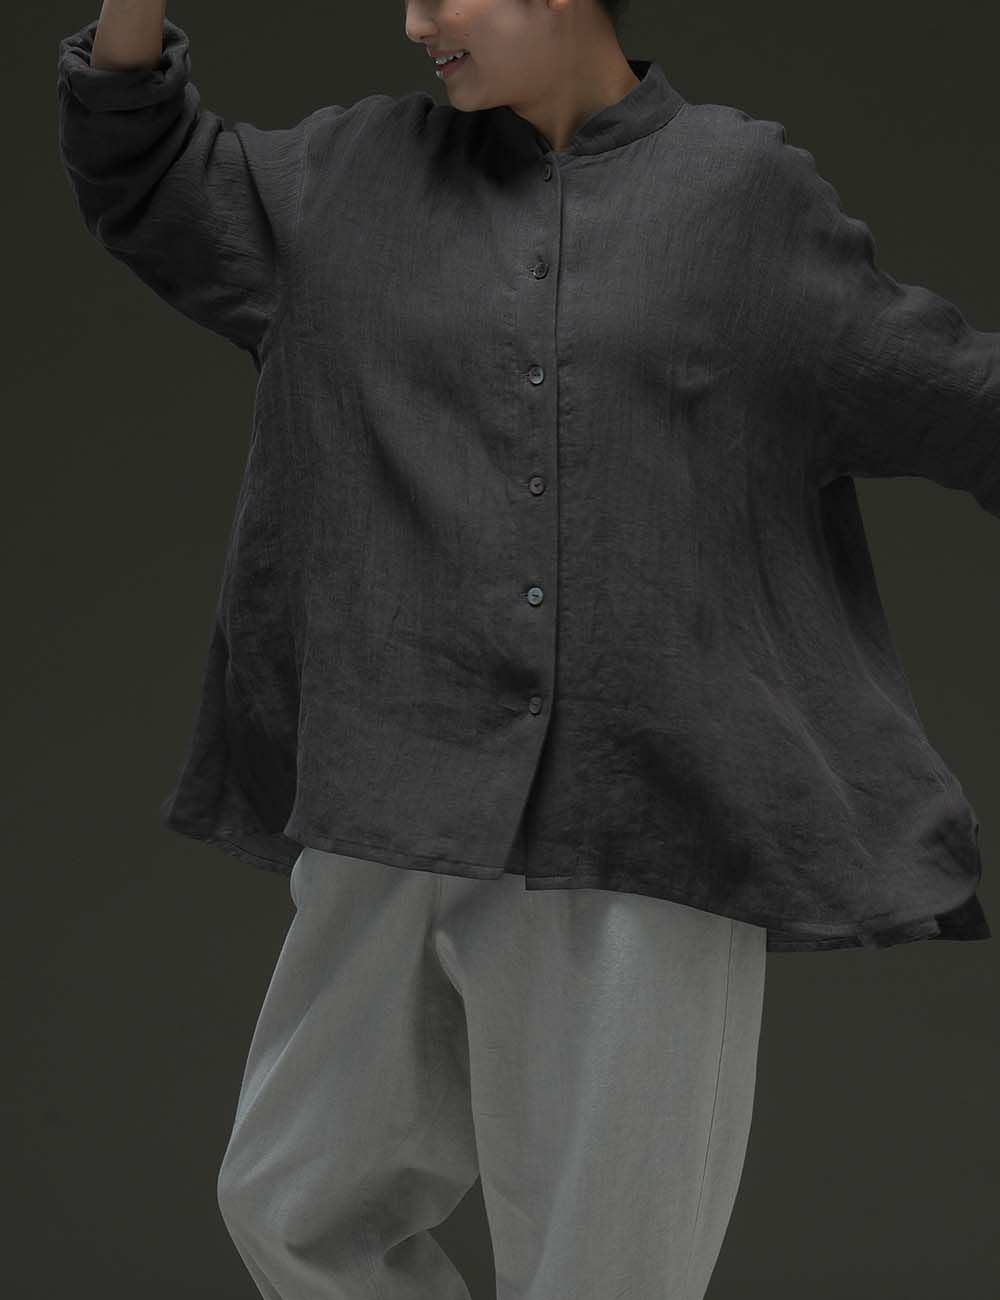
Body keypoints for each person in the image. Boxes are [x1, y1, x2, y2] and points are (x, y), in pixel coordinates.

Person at [56, 2, 995, 1297]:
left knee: (606, 1270)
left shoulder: (739, 201)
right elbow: (146, 172)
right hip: (391, 797)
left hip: (642, 821)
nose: (414, 19)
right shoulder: (346, 178)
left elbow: (959, 398)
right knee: (291, 1201)